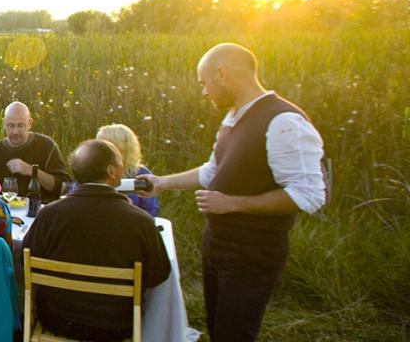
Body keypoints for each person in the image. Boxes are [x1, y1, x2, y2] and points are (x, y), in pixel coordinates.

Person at [139, 43, 325, 342]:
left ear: (222, 74)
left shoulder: (283, 121)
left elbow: (309, 195)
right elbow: (212, 171)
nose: (203, 92)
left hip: (253, 251)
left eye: (204, 83)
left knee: (235, 333)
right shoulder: (233, 118)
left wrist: (233, 204)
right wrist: (162, 182)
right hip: (218, 243)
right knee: (217, 326)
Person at [23, 139, 170, 341]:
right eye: (120, 162)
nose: (123, 166)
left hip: (58, 318)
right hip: (115, 325)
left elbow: (28, 259)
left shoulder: (49, 214)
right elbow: (158, 275)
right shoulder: (141, 222)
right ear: (112, 171)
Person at [0, 102, 72, 200]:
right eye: (10, 126)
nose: (15, 131)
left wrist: (31, 171)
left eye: (21, 125)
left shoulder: (47, 146)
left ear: (30, 123)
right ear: (3, 123)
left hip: (39, 211)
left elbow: (64, 187)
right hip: (4, 211)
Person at [92, 124, 159, 216]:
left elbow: (151, 210)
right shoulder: (90, 171)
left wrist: (129, 209)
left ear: (121, 147)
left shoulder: (141, 174)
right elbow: (75, 198)